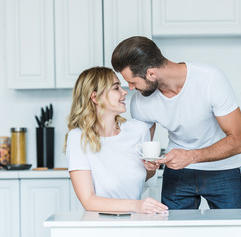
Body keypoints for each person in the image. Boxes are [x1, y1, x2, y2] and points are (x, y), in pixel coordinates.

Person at [111, 36, 241, 210]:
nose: (130, 88)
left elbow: (239, 140)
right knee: (174, 231)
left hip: (223, 169)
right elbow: (142, 146)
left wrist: (191, 156)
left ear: (151, 73)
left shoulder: (210, 79)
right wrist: (149, 164)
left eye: (132, 82)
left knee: (233, 231)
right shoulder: (140, 101)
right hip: (177, 172)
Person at [64, 66, 168, 214]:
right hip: (98, 225)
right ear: (95, 97)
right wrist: (135, 206)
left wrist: (151, 168)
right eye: (116, 88)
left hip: (136, 222)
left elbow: (143, 176)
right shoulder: (79, 138)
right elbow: (88, 200)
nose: (125, 92)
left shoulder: (138, 130)